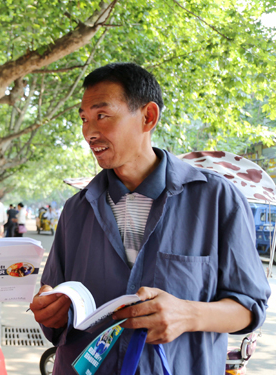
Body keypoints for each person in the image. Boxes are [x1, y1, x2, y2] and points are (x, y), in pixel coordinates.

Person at [29, 62, 270, 374]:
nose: (89, 132)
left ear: (148, 116)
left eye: (102, 115)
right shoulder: (78, 208)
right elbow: (54, 295)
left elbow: (250, 307)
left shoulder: (216, 199)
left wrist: (189, 314)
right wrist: (50, 309)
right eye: (85, 119)